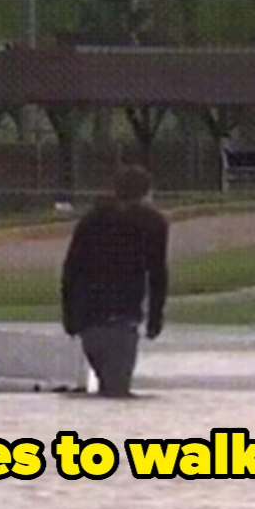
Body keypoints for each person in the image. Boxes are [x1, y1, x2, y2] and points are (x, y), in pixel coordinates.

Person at [60, 169, 168, 398]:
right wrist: (155, 318)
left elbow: (71, 270)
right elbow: (157, 274)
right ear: (146, 193)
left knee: (106, 387)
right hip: (123, 319)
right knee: (118, 393)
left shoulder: (91, 220)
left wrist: (70, 317)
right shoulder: (153, 223)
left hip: (89, 318)